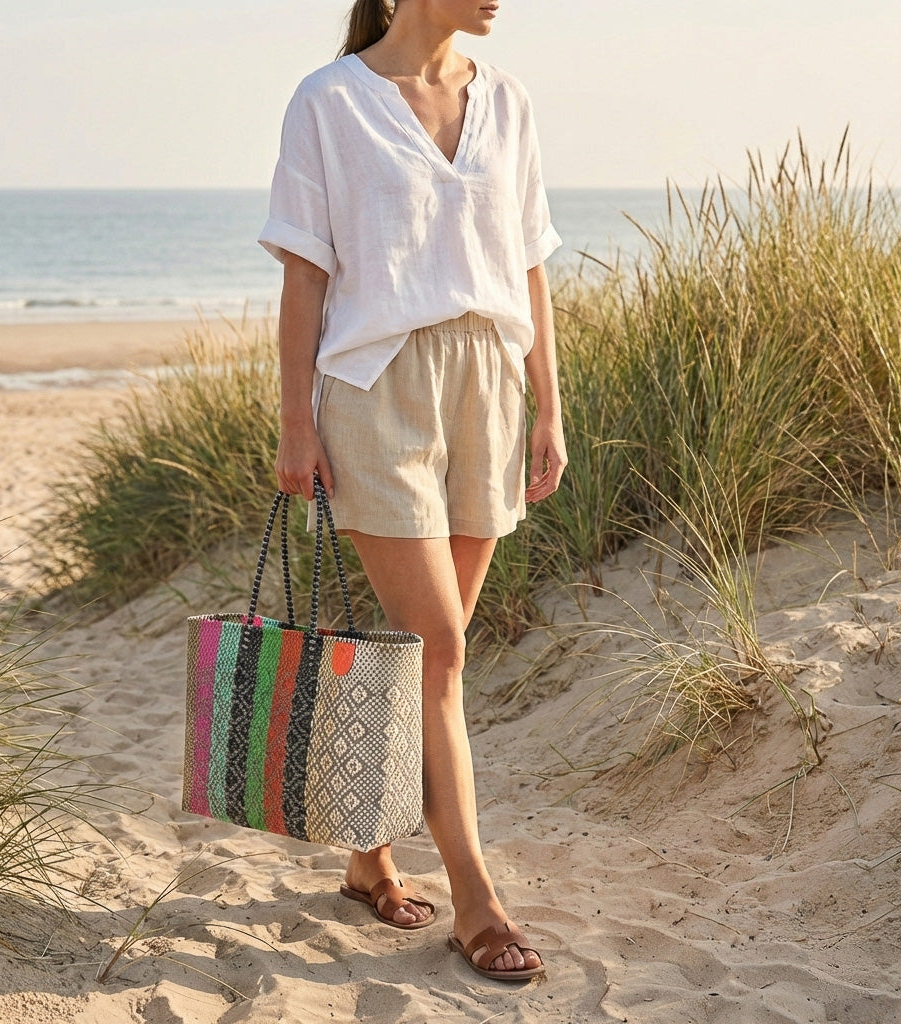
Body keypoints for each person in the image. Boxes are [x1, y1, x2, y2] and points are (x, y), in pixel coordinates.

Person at [258, 0, 566, 983]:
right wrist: (295, 424)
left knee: (422, 663)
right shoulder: (328, 103)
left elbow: (529, 266)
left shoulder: (507, 103)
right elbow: (304, 276)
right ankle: (475, 898)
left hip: (490, 385)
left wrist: (548, 407)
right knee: (439, 646)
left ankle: (365, 852)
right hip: (374, 389)